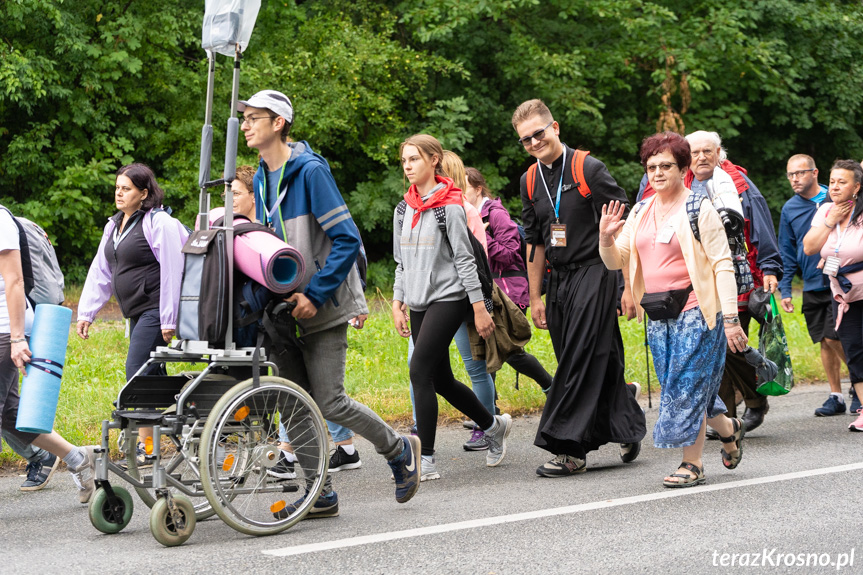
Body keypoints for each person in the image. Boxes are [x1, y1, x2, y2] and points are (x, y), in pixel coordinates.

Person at [239, 89, 419, 516]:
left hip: (322, 301)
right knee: (293, 400)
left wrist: (315, 294)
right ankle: (319, 492)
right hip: (283, 307)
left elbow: (346, 239)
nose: (245, 125)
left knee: (330, 400)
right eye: (244, 118)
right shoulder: (263, 177)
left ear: (278, 122)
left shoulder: (309, 172)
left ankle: (398, 452)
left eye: (253, 118)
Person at [600, 131, 746, 486]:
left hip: (699, 312)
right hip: (659, 315)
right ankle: (729, 429)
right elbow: (614, 260)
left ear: (683, 169)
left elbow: (722, 264)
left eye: (666, 165)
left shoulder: (699, 207)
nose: (658, 172)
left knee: (686, 388)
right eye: (651, 167)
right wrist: (605, 237)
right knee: (681, 386)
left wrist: (730, 319)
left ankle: (691, 464)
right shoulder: (641, 210)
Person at [513, 99, 645, 477]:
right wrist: (535, 297)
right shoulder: (528, 181)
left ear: (555, 127)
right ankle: (625, 413)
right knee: (582, 354)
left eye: (539, 133)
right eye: (526, 140)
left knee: (578, 356)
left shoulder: (588, 167)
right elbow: (535, 243)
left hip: (596, 271)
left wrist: (626, 284)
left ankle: (568, 449)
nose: (535, 142)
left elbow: (625, 224)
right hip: (558, 279)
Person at [637, 131, 781, 434]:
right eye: (695, 152)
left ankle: (752, 400)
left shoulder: (739, 185)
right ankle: (724, 420)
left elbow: (762, 227)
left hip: (734, 278)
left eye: (708, 151)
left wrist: (770, 266)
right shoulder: (671, 181)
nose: (701, 157)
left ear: (719, 154)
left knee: (730, 347)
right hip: (688, 286)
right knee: (714, 356)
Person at [392, 133, 512, 480]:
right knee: (440, 379)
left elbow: (465, 261)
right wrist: (398, 302)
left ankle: (425, 460)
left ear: (434, 160)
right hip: (417, 299)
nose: (408, 166)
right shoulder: (404, 209)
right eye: (404, 161)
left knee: (419, 370)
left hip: (450, 297)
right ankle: (493, 426)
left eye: (414, 159)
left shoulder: (451, 207)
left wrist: (479, 307)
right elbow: (401, 262)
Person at [77, 163, 187, 466]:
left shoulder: (159, 222)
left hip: (154, 310)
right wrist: (87, 312)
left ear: (144, 192)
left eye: (126, 188)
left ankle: (146, 444)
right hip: (137, 312)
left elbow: (172, 271)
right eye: (117, 187)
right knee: (150, 375)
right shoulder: (114, 225)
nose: (119, 193)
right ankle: (178, 425)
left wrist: (169, 318)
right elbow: (101, 270)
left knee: (136, 372)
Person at [0, 204, 98, 504]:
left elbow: (15, 281)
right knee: (12, 416)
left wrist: (18, 338)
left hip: (6, 330)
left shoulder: (0, 220)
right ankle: (79, 458)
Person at [463, 166, 554, 398]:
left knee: (510, 350)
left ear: (478, 188)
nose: (461, 194)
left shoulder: (496, 214)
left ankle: (551, 387)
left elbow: (510, 253)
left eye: (464, 187)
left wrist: (482, 238)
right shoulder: (466, 216)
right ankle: (490, 411)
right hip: (487, 291)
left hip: (508, 292)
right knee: (486, 351)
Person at [779, 155, 854, 416]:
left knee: (836, 337)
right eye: (790, 175)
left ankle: (858, 382)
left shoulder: (836, 196)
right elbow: (787, 251)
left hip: (840, 279)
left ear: (814, 173)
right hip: (811, 282)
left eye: (800, 173)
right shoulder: (789, 208)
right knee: (824, 339)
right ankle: (837, 395)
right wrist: (785, 288)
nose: (795, 179)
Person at [803, 160, 863, 433]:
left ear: (857, 187)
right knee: (854, 352)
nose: (836, 186)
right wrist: (829, 221)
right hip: (843, 297)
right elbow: (810, 247)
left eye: (843, 181)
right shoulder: (825, 210)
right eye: (833, 181)